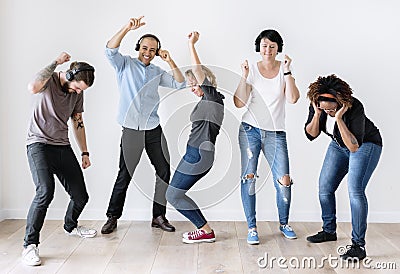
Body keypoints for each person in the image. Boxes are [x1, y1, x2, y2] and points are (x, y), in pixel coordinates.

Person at [101, 16, 186, 234]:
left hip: (153, 129)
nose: (148, 52)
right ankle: (112, 217)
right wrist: (126, 28)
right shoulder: (125, 65)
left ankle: (158, 216)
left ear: (157, 52)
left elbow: (179, 83)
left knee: (164, 171)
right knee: (124, 174)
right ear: (138, 48)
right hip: (131, 129)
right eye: (144, 48)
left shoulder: (157, 72)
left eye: (153, 50)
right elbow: (109, 50)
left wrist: (169, 61)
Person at [22, 52, 97, 266]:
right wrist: (55, 62)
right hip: (38, 144)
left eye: (81, 90)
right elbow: (32, 87)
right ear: (70, 75)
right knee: (45, 190)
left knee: (81, 196)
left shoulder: (77, 93)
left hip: (62, 146)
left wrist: (85, 152)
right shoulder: (49, 81)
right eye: (77, 87)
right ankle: (29, 245)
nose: (77, 92)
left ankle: (70, 226)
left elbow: (78, 121)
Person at [304, 74, 382, 260]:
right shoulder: (318, 105)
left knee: (355, 191)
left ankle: (358, 246)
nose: (327, 112)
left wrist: (338, 118)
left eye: (331, 110)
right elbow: (311, 134)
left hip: (365, 145)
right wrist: (317, 114)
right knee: (324, 187)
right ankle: (329, 231)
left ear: (340, 103)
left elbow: (354, 146)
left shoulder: (354, 107)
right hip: (338, 145)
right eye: (324, 108)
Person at [233, 29, 300, 245]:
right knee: (249, 178)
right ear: (259, 47)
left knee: (284, 180)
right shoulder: (251, 69)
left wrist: (288, 72)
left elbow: (293, 99)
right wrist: (243, 77)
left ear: (278, 48)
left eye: (272, 46)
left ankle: (284, 224)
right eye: (264, 45)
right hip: (250, 129)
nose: (268, 50)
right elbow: (238, 103)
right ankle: (252, 227)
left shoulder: (284, 70)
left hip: (275, 133)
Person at [166, 31, 225, 244]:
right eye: (190, 85)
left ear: (205, 82)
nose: (192, 88)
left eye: (194, 84)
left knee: (173, 195)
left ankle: (205, 230)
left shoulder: (213, 98)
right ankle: (204, 230)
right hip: (192, 153)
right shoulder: (205, 101)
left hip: (199, 155)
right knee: (173, 194)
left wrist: (191, 45)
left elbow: (198, 71)